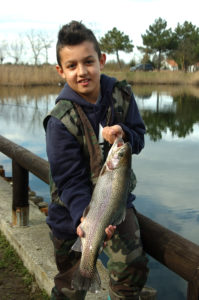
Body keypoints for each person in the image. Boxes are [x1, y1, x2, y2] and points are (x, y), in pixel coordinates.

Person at [43, 20, 148, 300]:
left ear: (101, 60)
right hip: (71, 214)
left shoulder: (121, 96)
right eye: (72, 65)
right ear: (61, 70)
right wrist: (84, 219)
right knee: (70, 285)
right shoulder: (59, 122)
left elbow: (138, 136)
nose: (82, 72)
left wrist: (124, 134)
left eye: (88, 62)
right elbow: (68, 179)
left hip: (116, 204)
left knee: (132, 267)